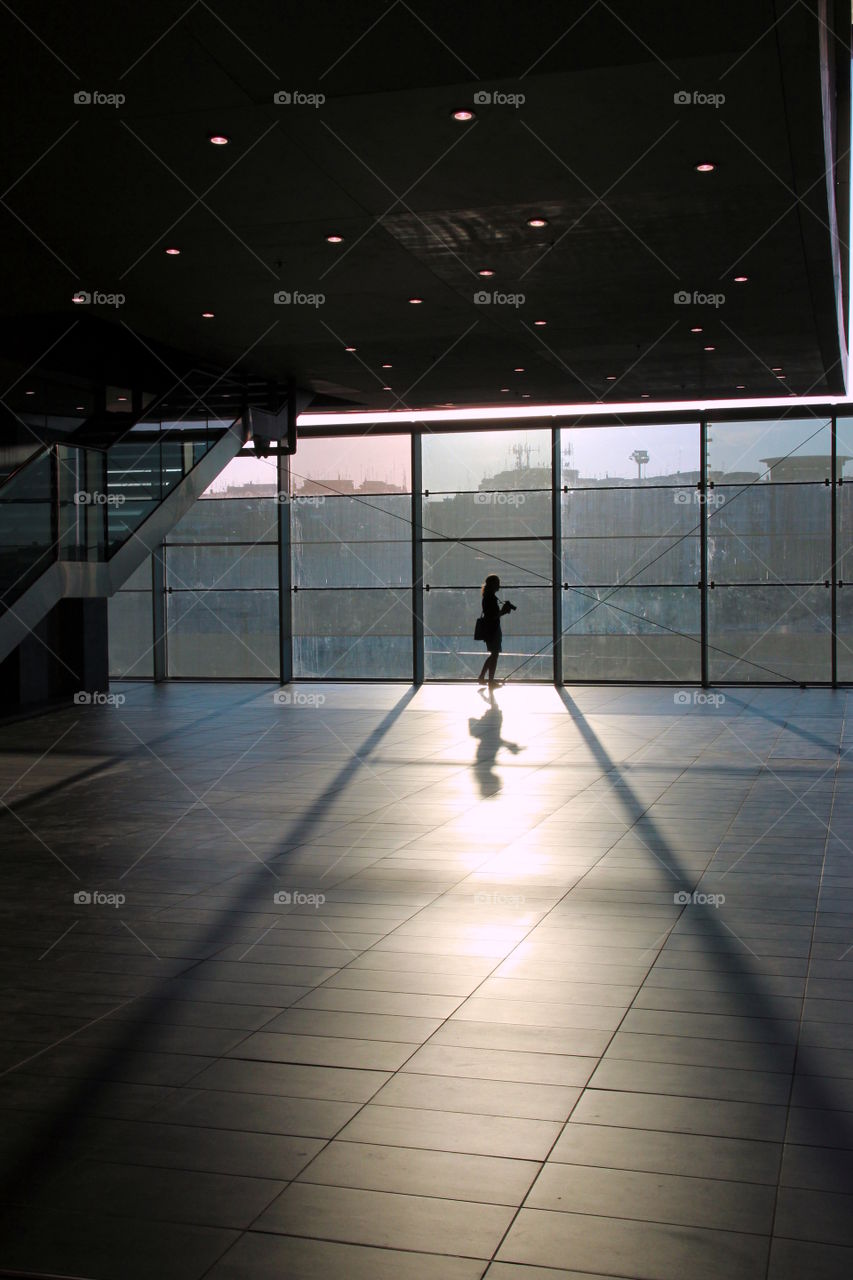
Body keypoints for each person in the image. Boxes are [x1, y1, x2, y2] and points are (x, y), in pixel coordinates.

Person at [477, 574, 516, 687]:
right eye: (497, 582)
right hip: (493, 629)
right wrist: (504, 611)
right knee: (495, 654)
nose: (499, 585)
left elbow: (490, 615)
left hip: (490, 628)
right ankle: (490, 680)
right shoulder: (491, 598)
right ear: (493, 584)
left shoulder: (488, 597)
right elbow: (493, 616)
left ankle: (483, 677)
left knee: (493, 654)